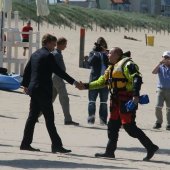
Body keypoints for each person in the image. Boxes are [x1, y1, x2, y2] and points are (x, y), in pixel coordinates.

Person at [82, 47, 159, 161]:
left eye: (110, 53)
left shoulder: (128, 65)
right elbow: (101, 82)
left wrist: (136, 95)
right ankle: (109, 152)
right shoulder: (111, 68)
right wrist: (85, 86)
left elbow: (137, 78)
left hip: (126, 101)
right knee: (112, 126)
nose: (108, 55)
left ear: (117, 55)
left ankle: (151, 147)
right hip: (115, 101)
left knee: (129, 127)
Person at [20, 33, 82, 153]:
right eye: (53, 44)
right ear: (47, 43)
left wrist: (25, 85)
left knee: (32, 117)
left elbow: (27, 70)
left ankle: (25, 143)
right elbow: (59, 72)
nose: (54, 46)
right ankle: (56, 145)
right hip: (43, 91)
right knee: (49, 119)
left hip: (34, 90)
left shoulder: (35, 54)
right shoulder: (48, 56)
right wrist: (74, 83)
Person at [51, 37, 79, 125]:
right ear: (60, 44)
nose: (65, 46)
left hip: (54, 78)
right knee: (64, 99)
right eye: (64, 44)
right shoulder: (56, 54)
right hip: (58, 77)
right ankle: (68, 119)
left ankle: (35, 116)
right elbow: (59, 69)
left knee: (50, 99)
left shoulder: (56, 53)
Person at [87, 37, 109, 125]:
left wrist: (105, 53)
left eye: (102, 45)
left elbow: (112, 63)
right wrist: (96, 53)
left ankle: (103, 121)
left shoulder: (108, 54)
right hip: (94, 80)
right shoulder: (93, 53)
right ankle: (91, 120)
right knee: (92, 102)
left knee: (103, 102)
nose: (100, 47)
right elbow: (89, 63)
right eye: (99, 44)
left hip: (105, 81)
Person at [152, 51, 170, 130]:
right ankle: (158, 122)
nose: (165, 59)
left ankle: (169, 124)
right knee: (157, 107)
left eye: (167, 58)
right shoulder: (160, 66)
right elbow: (153, 72)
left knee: (169, 108)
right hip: (160, 89)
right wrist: (159, 63)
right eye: (164, 57)